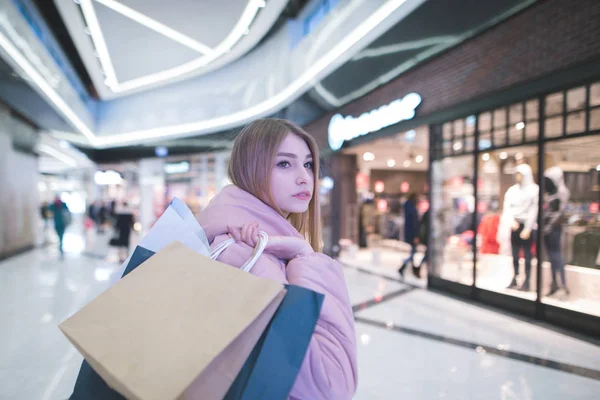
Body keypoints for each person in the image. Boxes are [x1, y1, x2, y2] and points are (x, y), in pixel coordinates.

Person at [196, 118, 357, 400]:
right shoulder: (247, 253)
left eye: (308, 164)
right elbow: (331, 385)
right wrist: (306, 257)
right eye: (284, 163)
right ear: (250, 169)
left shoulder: (241, 239)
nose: (304, 177)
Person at [502, 163, 539, 291]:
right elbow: (507, 208)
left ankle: (527, 281)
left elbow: (534, 210)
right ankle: (515, 277)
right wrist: (511, 221)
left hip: (527, 225)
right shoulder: (512, 190)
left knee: (528, 255)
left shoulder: (534, 190)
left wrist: (528, 228)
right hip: (515, 225)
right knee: (515, 254)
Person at [543, 167, 570, 295]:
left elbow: (560, 212)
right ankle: (554, 283)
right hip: (547, 229)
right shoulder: (550, 192)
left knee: (557, 256)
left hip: (555, 229)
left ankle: (562, 285)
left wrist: (550, 225)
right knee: (551, 257)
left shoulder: (562, 191)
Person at [398, 193, 420, 278]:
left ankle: (412, 269)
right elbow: (414, 223)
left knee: (412, 252)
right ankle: (404, 266)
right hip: (412, 234)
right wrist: (415, 235)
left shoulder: (407, 207)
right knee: (412, 253)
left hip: (408, 233)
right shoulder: (412, 209)